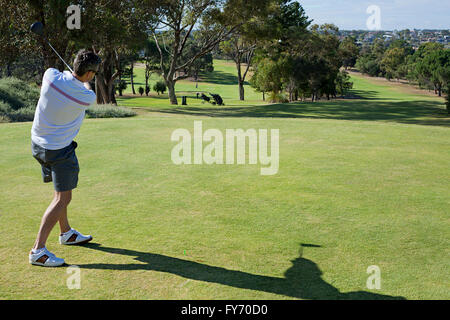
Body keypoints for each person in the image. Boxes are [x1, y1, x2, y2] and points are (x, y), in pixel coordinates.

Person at [29, 50, 101, 267]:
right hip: (59, 151)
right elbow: (87, 90)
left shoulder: (50, 76)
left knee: (59, 191)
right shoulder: (87, 96)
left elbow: (61, 74)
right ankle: (38, 251)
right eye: (93, 74)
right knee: (63, 198)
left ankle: (66, 232)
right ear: (89, 74)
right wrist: (84, 81)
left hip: (37, 144)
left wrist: (74, 74)